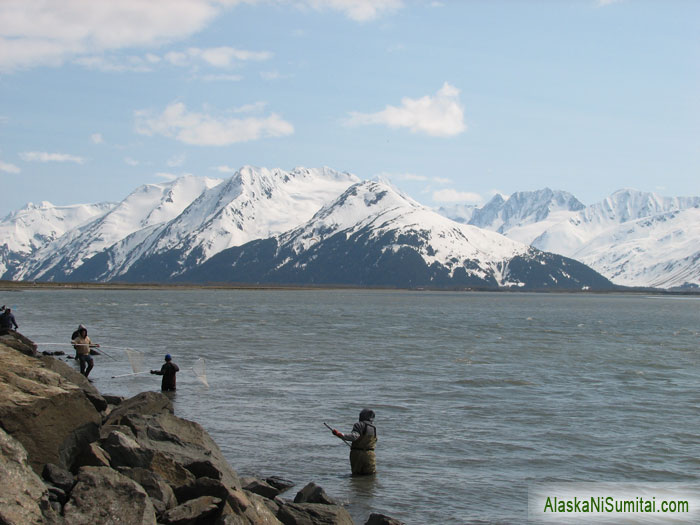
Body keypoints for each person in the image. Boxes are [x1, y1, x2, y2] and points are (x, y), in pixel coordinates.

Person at [331, 408, 377, 475]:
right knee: (370, 476)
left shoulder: (359, 425)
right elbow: (374, 441)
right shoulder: (373, 428)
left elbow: (354, 436)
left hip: (357, 455)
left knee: (356, 475)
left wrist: (339, 434)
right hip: (370, 455)